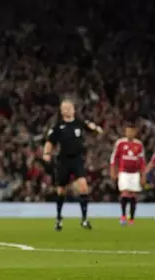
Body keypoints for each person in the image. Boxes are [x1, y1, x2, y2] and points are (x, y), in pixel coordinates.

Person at [43, 99, 103, 231]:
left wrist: (97, 129)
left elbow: (95, 129)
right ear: (61, 110)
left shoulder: (79, 123)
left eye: (69, 107)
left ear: (74, 109)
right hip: (63, 161)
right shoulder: (58, 126)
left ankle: (84, 219)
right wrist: (46, 153)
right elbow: (50, 141)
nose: (67, 110)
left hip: (77, 160)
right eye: (64, 108)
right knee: (61, 191)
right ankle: (58, 218)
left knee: (83, 187)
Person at [110, 123, 146, 225]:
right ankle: (123, 216)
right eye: (128, 131)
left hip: (135, 173)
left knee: (133, 194)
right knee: (125, 193)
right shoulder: (120, 143)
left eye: (132, 131)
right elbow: (114, 158)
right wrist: (113, 171)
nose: (130, 133)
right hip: (123, 172)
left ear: (135, 132)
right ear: (125, 132)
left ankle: (132, 218)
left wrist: (143, 175)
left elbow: (142, 161)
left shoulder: (139, 144)